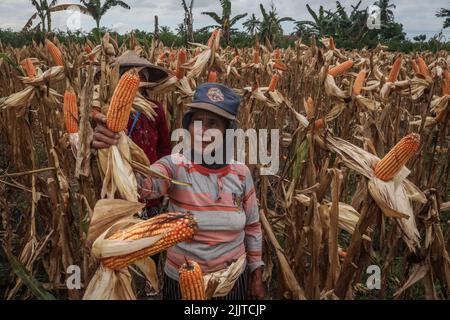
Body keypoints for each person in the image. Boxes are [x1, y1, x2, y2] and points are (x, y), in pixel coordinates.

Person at [93, 83, 265, 300]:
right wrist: (112, 150)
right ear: (189, 126)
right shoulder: (174, 166)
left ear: (226, 131)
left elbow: (252, 227)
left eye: (213, 123)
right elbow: (141, 186)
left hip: (232, 281)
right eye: (198, 122)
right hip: (182, 281)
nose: (204, 130)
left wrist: (256, 274)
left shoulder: (241, 173)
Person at [92, 51, 172, 219]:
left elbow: (164, 148)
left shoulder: (156, 109)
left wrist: (163, 180)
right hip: (118, 190)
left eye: (141, 76)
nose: (136, 82)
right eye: (128, 75)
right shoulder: (104, 112)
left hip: (151, 188)